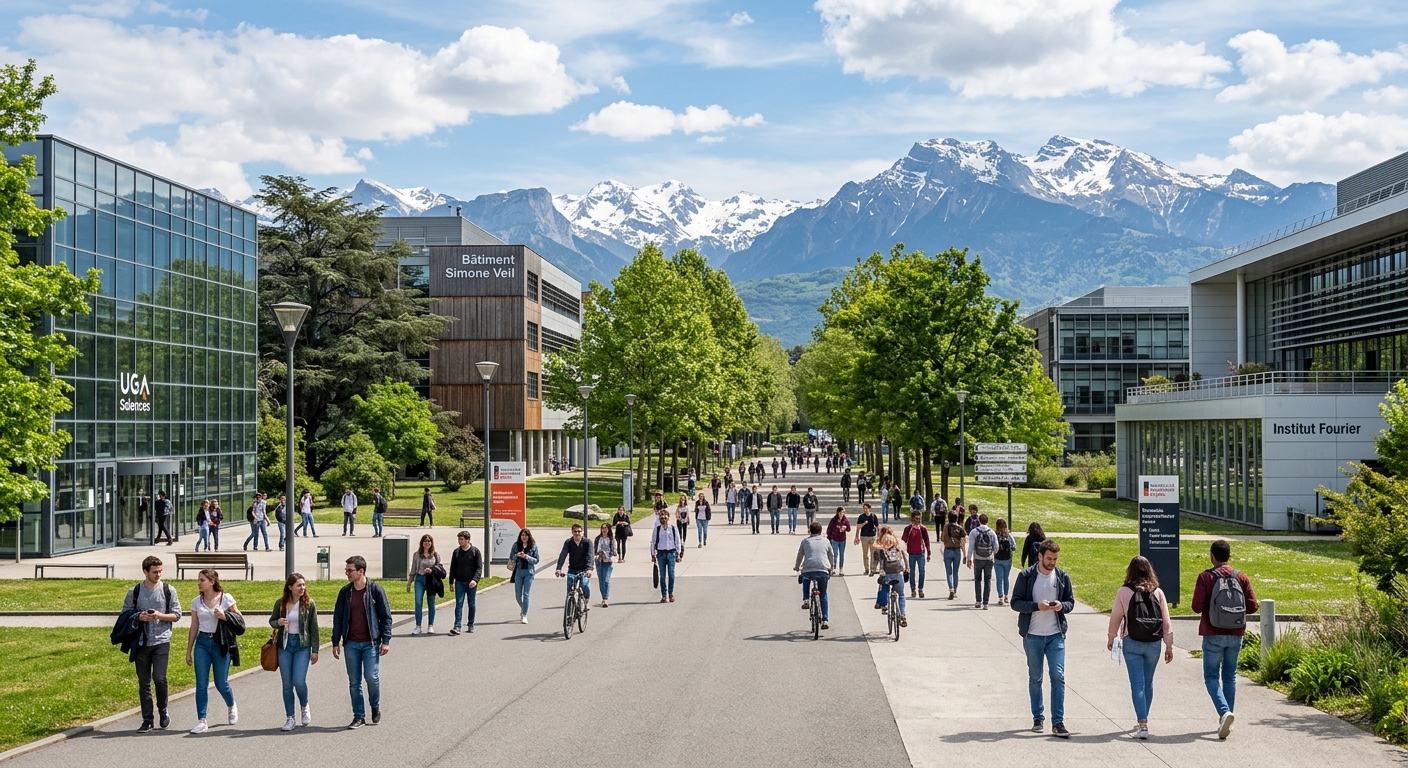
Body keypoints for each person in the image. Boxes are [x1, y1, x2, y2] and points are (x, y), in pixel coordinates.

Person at [1191, 539, 1257, 740]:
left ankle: (1224, 713)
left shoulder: (1206, 577)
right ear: (1229, 557)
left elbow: (1195, 606)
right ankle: (1227, 717)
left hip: (1212, 633)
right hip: (1236, 633)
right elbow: (1253, 606)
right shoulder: (1241, 577)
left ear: (1212, 556)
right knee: (1230, 676)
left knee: (1211, 676)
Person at [1011, 539, 1075, 739]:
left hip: (1056, 635)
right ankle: (1038, 717)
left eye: (1055, 559)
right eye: (1049, 558)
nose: (1052, 562)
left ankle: (1058, 722)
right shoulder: (1026, 576)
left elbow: (1070, 602)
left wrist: (1060, 606)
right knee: (1035, 678)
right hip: (1033, 636)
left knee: (1058, 677)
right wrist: (1036, 606)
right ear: (1040, 556)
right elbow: (1015, 603)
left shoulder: (1062, 576)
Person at [1108, 555, 1174, 740]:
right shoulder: (1158, 592)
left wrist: (1111, 637)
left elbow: (1115, 617)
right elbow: (1166, 622)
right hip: (1153, 643)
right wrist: (1169, 646)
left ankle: (1142, 723)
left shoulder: (1124, 591)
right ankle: (1144, 719)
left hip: (1132, 641)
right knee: (1148, 682)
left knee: (1137, 684)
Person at [331, 555, 392, 729]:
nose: (347, 574)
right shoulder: (345, 593)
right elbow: (338, 618)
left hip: (370, 643)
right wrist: (336, 642)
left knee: (371, 678)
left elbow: (386, 617)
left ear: (361, 571)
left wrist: (385, 640)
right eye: (346, 570)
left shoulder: (375, 590)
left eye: (350, 570)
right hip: (351, 643)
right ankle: (359, 716)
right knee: (354, 681)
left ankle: (374, 705)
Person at [125, 556, 181, 732]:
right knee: (144, 682)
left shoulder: (168, 590)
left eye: (160, 571)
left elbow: (177, 614)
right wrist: (140, 616)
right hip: (141, 642)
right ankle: (147, 719)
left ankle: (163, 711)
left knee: (159, 678)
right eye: (155, 572)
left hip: (161, 640)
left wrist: (160, 616)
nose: (158, 574)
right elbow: (125, 614)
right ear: (145, 572)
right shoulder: (134, 591)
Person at [185, 568, 238, 734]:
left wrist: (225, 616)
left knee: (221, 683)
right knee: (201, 684)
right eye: (198, 580)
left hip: (220, 643)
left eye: (202, 580)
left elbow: (240, 620)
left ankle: (231, 705)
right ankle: (202, 720)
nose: (199, 583)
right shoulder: (196, 602)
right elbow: (194, 626)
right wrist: (189, 650)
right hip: (202, 642)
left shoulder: (226, 598)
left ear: (212, 582)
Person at [270, 572, 320, 731]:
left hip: (302, 645)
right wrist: (278, 622)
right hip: (284, 645)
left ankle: (304, 707)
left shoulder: (309, 604)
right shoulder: (281, 603)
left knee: (299, 681)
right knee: (286, 684)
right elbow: (272, 620)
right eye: (299, 585)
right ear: (290, 587)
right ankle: (290, 717)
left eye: (304, 585)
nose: (302, 588)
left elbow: (314, 628)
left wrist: (315, 650)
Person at [795, 520, 837, 630]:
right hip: (823, 569)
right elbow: (831, 555)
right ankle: (825, 620)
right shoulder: (826, 541)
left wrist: (797, 567)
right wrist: (831, 568)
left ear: (810, 531)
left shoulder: (805, 541)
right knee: (823, 594)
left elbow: (800, 556)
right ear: (821, 531)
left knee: (805, 577)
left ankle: (806, 600)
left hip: (808, 569)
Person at [871, 526, 908, 627]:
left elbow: (880, 563)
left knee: (884, 588)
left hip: (888, 574)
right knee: (901, 594)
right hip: (898, 573)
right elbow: (904, 557)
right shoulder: (899, 548)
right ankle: (903, 615)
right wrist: (906, 568)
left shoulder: (882, 550)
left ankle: (885, 605)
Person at [407, 534, 444, 634]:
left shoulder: (435, 555)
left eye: (429, 541)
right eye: (425, 541)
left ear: (431, 543)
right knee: (418, 602)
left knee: (431, 602)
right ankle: (418, 626)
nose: (427, 543)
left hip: (431, 580)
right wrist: (409, 582)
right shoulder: (417, 554)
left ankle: (430, 625)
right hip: (420, 579)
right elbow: (414, 569)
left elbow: (439, 568)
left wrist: (432, 570)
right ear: (422, 543)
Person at [555, 523, 595, 615]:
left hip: (584, 569)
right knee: (570, 591)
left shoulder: (587, 542)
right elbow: (563, 555)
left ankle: (585, 600)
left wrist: (589, 569)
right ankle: (569, 616)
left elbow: (590, 556)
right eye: (575, 531)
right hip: (572, 569)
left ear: (582, 532)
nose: (577, 533)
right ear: (572, 532)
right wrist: (558, 568)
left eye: (579, 531)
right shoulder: (568, 542)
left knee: (585, 584)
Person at [448, 531, 482, 635]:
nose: (459, 541)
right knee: (459, 603)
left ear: (468, 540)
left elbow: (479, 568)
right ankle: (457, 626)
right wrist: (451, 582)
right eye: (459, 539)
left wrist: (475, 580)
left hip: (471, 583)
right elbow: (453, 567)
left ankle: (470, 624)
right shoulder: (456, 552)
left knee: (471, 603)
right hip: (460, 582)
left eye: (461, 539)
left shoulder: (475, 551)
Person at [966, 513, 998, 609]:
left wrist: (969, 558)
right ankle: (986, 603)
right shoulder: (992, 532)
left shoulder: (974, 532)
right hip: (988, 559)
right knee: (987, 580)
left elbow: (971, 546)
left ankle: (978, 601)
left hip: (978, 558)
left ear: (979, 521)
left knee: (977, 580)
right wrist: (992, 552)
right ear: (987, 522)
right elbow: (996, 548)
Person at [651, 508, 682, 602]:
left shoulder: (673, 528)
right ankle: (664, 595)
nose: (663, 518)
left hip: (671, 553)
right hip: (661, 554)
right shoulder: (657, 529)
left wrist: (679, 553)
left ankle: (671, 593)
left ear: (668, 517)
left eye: (665, 516)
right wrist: (652, 554)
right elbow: (653, 542)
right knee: (662, 576)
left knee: (671, 575)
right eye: (661, 516)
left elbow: (677, 541)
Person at [509, 529, 539, 623]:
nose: (524, 537)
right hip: (519, 571)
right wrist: (517, 555)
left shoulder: (533, 546)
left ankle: (524, 615)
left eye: (526, 535)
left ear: (529, 536)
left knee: (526, 594)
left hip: (529, 572)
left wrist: (527, 557)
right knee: (518, 595)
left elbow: (537, 560)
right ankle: (523, 608)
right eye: (522, 535)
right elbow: (511, 557)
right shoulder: (516, 545)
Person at [901, 512, 931, 599]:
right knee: (912, 572)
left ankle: (920, 588)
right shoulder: (908, 529)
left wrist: (929, 552)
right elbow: (903, 540)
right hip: (911, 553)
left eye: (919, 518)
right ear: (912, 519)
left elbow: (926, 541)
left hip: (921, 553)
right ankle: (913, 589)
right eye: (916, 518)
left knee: (922, 571)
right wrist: (902, 552)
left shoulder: (923, 529)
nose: (918, 520)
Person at [941, 512, 967, 600]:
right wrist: (964, 554)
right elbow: (963, 541)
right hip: (956, 551)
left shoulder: (945, 527)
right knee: (955, 572)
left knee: (949, 572)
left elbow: (942, 538)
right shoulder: (960, 528)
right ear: (957, 518)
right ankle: (955, 590)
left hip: (948, 550)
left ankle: (951, 588)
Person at [993, 518, 1017, 606]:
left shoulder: (995, 535)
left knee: (999, 578)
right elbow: (1014, 546)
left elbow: (993, 547)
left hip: (998, 559)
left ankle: (1000, 597)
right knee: (1006, 578)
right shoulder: (1008, 535)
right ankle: (1006, 595)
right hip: (1007, 559)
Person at [594, 523, 616, 607]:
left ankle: (605, 598)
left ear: (609, 530)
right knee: (601, 580)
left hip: (608, 561)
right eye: (603, 528)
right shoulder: (598, 539)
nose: (604, 530)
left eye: (606, 528)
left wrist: (607, 553)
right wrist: (598, 554)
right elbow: (595, 549)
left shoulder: (611, 539)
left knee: (606, 579)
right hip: (599, 561)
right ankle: (603, 597)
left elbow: (614, 551)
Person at [854, 503, 879, 576]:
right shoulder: (861, 517)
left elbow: (877, 526)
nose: (865, 510)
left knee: (873, 553)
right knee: (865, 554)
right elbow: (858, 527)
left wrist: (879, 536)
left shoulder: (873, 516)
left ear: (869, 509)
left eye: (866, 508)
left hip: (872, 536)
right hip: (864, 537)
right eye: (864, 508)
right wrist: (856, 536)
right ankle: (866, 568)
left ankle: (872, 569)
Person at [826, 507, 851, 575]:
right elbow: (829, 529)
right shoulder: (834, 520)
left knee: (842, 554)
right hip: (834, 539)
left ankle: (841, 569)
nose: (841, 514)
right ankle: (833, 568)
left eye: (843, 512)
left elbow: (849, 529)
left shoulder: (845, 520)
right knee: (835, 554)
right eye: (840, 512)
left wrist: (845, 528)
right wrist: (830, 538)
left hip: (842, 539)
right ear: (838, 512)